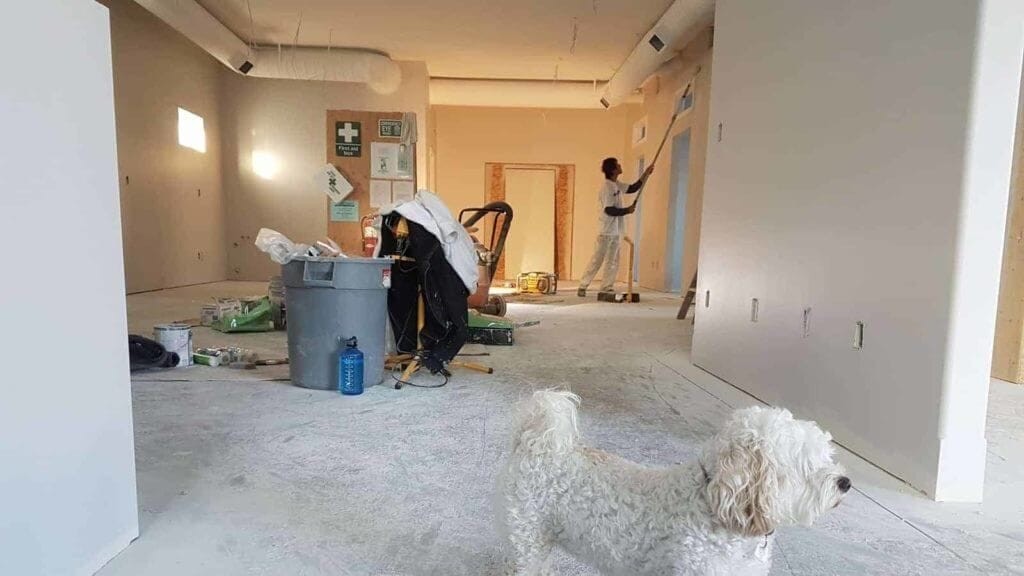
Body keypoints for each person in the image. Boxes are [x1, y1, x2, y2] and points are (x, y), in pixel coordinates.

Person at [578, 157, 655, 297]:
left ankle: (606, 287)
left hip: (616, 231)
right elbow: (609, 210)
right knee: (598, 259)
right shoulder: (607, 187)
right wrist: (627, 210)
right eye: (618, 165)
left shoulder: (616, 184)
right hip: (606, 231)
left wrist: (646, 174)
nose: (620, 166)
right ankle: (583, 285)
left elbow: (633, 188)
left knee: (612, 261)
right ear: (614, 170)